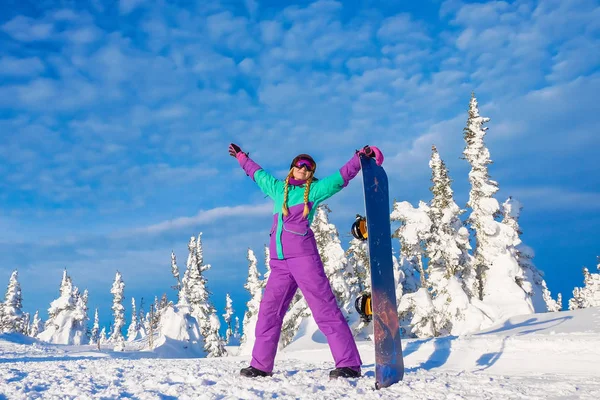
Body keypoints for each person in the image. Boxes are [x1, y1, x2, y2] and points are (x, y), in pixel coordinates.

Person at [228, 142, 384, 379]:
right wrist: (241, 157)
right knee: (269, 313)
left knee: (325, 310)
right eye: (300, 166)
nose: (304, 170)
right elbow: (257, 174)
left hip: (304, 259)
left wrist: (359, 159)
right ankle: (260, 365)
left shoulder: (314, 190)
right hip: (279, 264)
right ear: (292, 168)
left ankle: (349, 364)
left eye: (309, 168)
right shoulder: (278, 189)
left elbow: (340, 178)